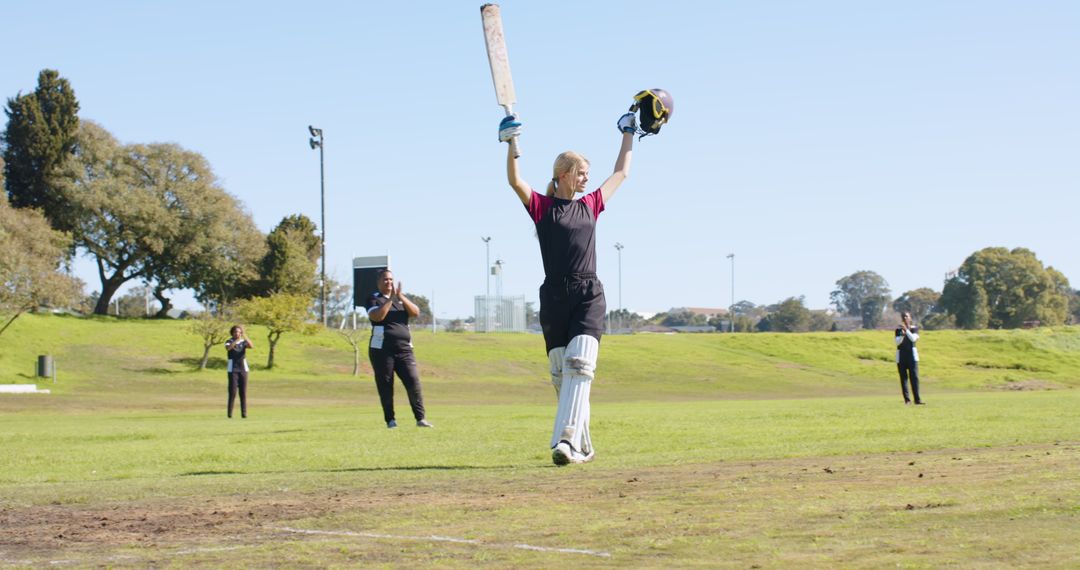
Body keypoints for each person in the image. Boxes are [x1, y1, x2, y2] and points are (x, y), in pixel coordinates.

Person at [499, 97, 658, 465]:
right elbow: (514, 180)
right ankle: (582, 447)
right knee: (561, 375)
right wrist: (511, 144)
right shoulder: (541, 207)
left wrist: (628, 134)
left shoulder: (591, 205)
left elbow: (622, 174)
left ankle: (565, 442)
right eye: (582, 172)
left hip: (588, 293)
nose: (587, 178)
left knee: (579, 366)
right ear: (566, 173)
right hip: (554, 297)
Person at [366, 269, 433, 429]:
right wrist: (391, 300)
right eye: (385, 280)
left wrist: (400, 297)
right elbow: (378, 317)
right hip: (381, 349)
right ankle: (390, 420)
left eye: (391, 279)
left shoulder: (400, 299)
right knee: (386, 384)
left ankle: (420, 418)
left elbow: (416, 312)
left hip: (404, 349)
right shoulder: (373, 298)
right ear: (378, 282)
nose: (389, 282)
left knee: (413, 380)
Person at [895, 311, 924, 405]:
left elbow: (913, 339)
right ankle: (907, 400)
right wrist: (902, 334)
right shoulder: (898, 330)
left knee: (914, 378)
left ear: (910, 318)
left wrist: (906, 330)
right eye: (903, 316)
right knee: (903, 379)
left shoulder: (914, 329)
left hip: (912, 357)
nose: (905, 318)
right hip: (901, 357)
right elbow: (897, 342)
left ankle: (917, 399)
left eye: (907, 316)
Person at [225, 324, 254, 418]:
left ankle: (244, 414)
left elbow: (251, 346)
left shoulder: (243, 342)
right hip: (232, 369)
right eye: (235, 332)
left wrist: (244, 336)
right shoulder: (229, 341)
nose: (237, 333)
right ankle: (229, 414)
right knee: (232, 392)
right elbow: (228, 348)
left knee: (243, 392)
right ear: (232, 333)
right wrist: (236, 341)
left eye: (239, 332)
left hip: (243, 369)